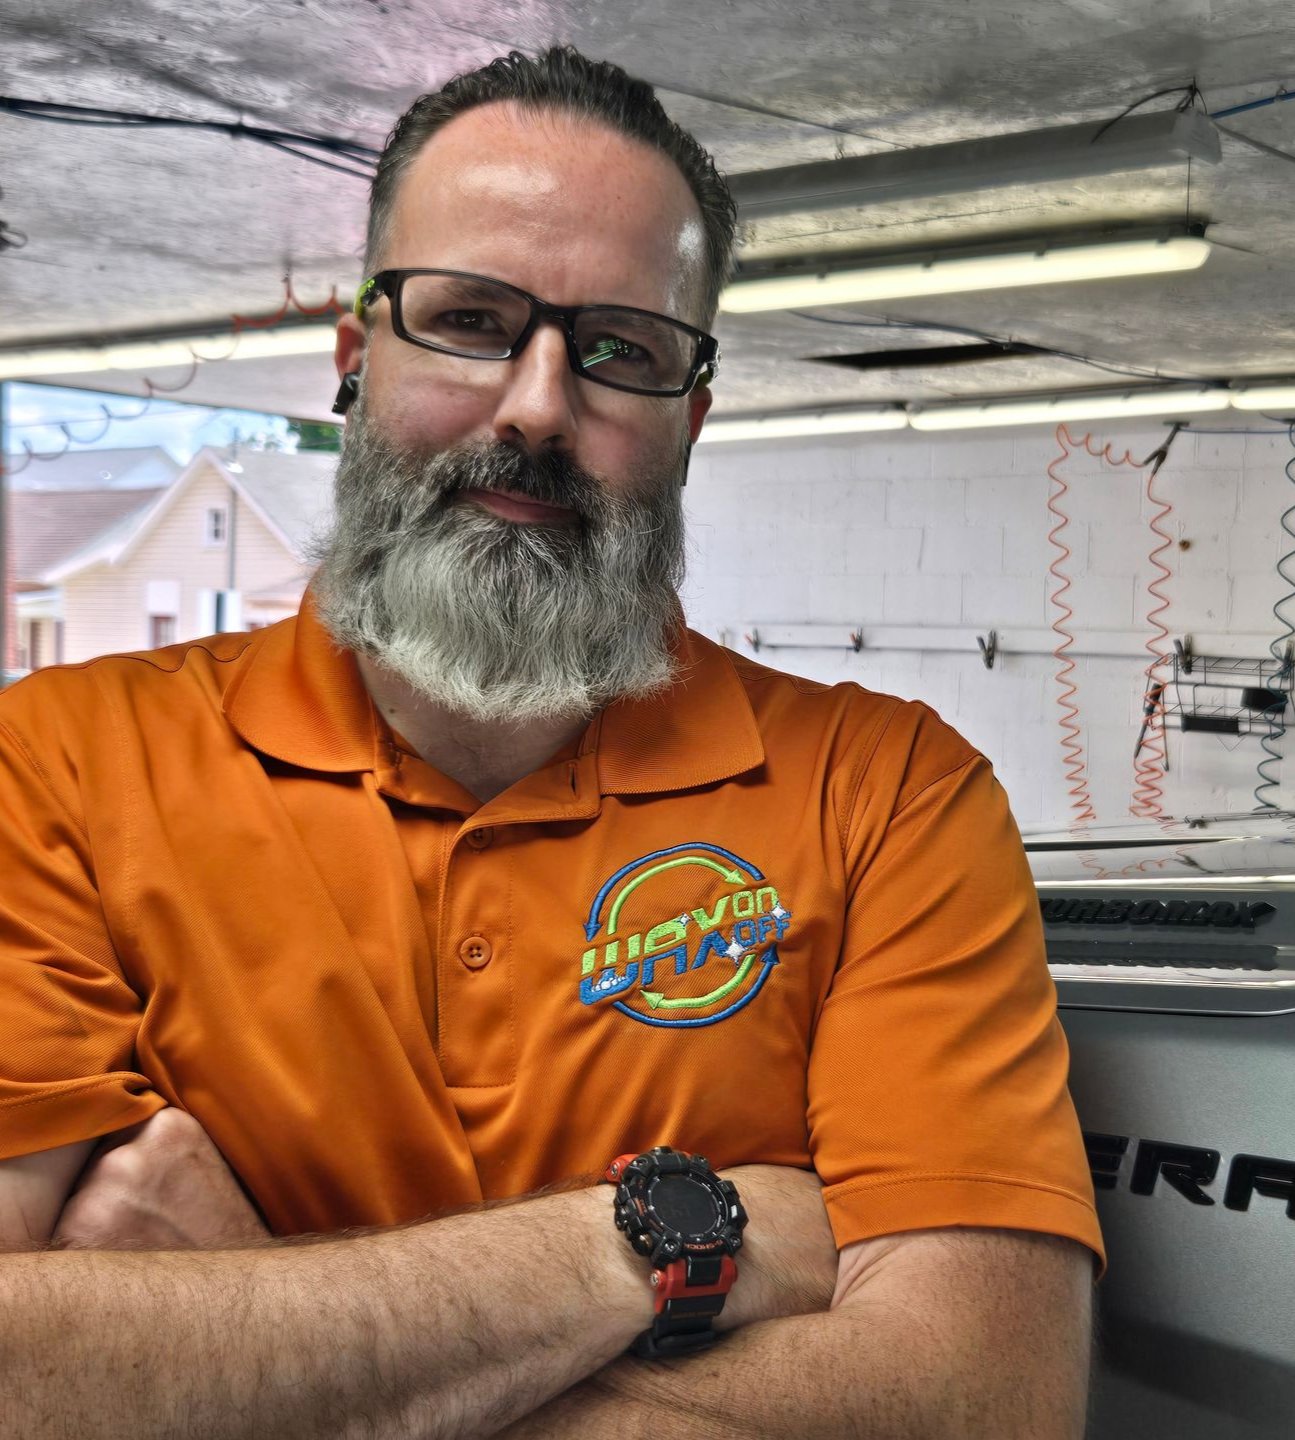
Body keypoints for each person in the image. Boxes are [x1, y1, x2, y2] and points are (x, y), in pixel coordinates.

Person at [0, 45, 1103, 1438]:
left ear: (688, 417)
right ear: (355, 359)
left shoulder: (887, 795)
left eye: (619, 349)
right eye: (467, 319)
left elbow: (981, 1404)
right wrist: (657, 1242)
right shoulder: (54, 765)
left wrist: (231, 1342)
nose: (533, 404)